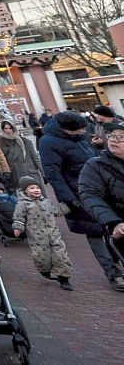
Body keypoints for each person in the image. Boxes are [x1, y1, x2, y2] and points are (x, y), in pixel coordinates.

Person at [39, 111, 118, 285]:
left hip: (102, 189)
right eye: (80, 129)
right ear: (67, 129)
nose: (84, 131)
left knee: (114, 228)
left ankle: (117, 262)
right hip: (78, 193)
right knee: (95, 233)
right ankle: (113, 273)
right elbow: (53, 173)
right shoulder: (48, 142)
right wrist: (69, 199)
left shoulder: (79, 138)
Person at [78, 122, 124, 291]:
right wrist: (113, 222)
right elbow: (90, 196)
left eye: (121, 137)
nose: (114, 140)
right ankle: (114, 273)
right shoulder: (95, 166)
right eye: (111, 136)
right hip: (119, 224)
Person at [12, 176, 74, 291]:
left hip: (54, 234)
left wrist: (69, 206)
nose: (36, 190)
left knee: (61, 255)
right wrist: (18, 228)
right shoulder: (22, 204)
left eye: (37, 188)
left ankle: (64, 279)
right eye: (32, 188)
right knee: (42, 257)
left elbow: (57, 211)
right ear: (25, 190)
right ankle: (44, 270)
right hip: (37, 237)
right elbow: (19, 217)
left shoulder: (46, 202)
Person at [0, 119, 43, 189]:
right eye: (5, 128)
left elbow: (35, 158)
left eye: (10, 128)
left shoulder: (25, 141)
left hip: (29, 172)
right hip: (14, 174)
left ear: (13, 128)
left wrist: (43, 174)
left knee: (36, 194)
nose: (8, 130)